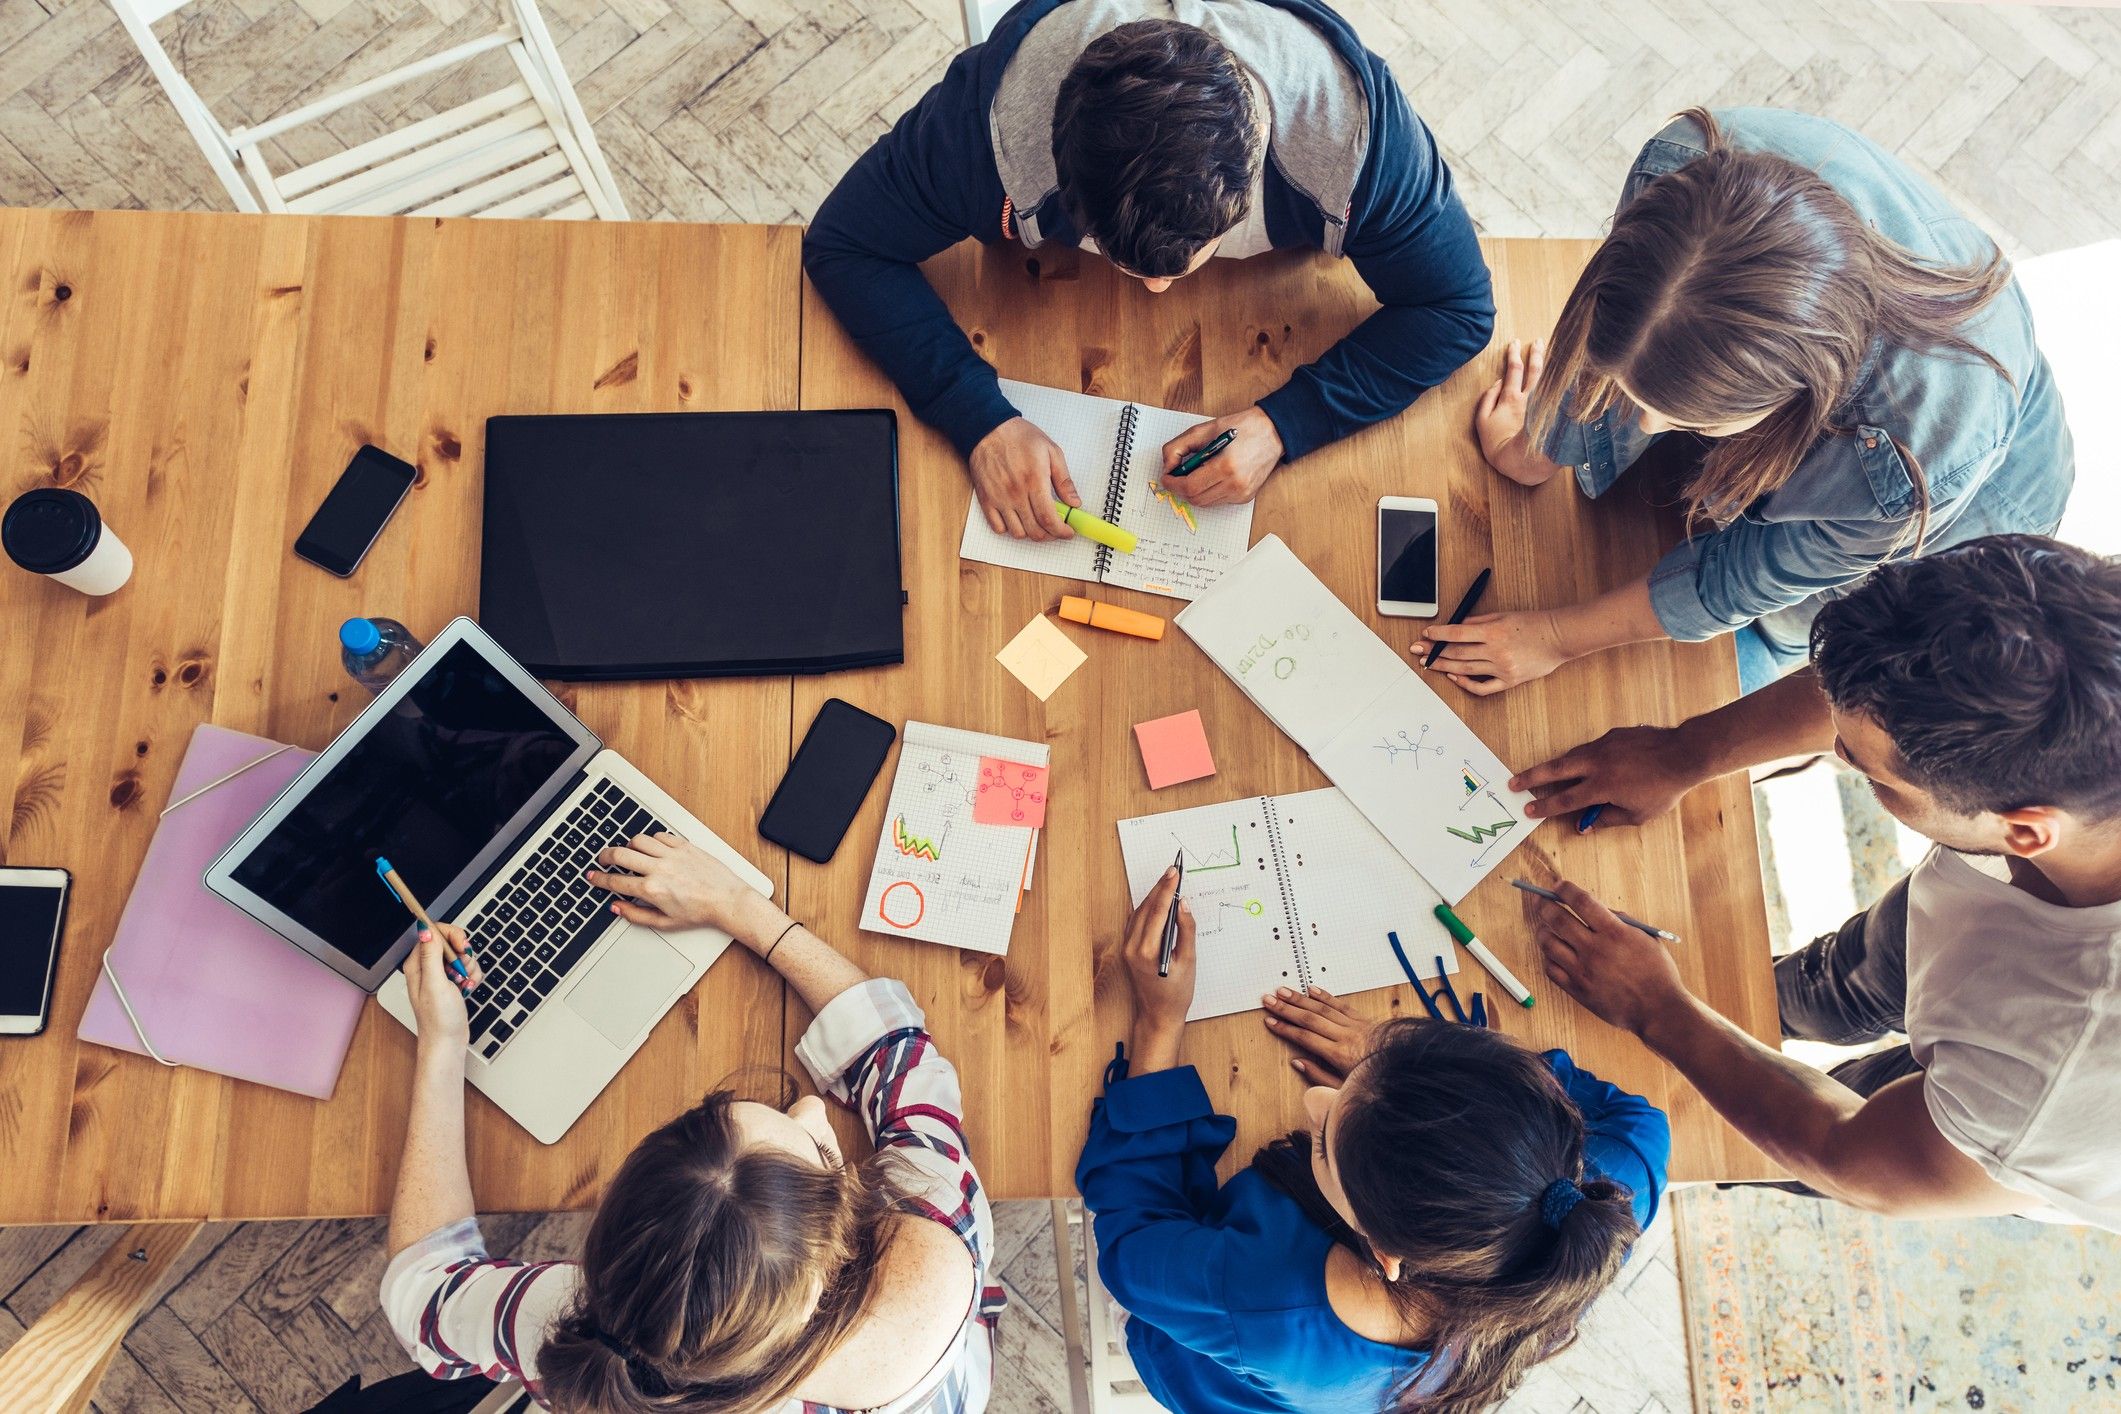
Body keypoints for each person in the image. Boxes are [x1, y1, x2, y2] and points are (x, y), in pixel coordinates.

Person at [1517, 535, 2121, 1226]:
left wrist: (1657, 1008)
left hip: (2014, 1107)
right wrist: (1683, 752)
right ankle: (1768, 1007)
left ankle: (1714, 1170)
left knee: (1783, 1136)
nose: (1835, 755)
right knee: (1841, 975)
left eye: (1868, 773)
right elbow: (1878, 693)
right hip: (1996, 930)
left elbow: (1851, 1156)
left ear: (2022, 830)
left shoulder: (2052, 1078)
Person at [1426, 107, 2073, 698]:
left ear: (1795, 398)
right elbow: (1643, 335)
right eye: (1640, 399)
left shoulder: (1905, 467)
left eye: (1689, 418)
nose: (1646, 424)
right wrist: (1541, 447)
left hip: (1969, 506)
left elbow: (1743, 578)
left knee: (1778, 636)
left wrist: (1554, 637)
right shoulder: (1679, 165)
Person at [803, 0, 1492, 542]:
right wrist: (976, 417)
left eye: (1183, 261)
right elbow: (842, 244)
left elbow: (1458, 310)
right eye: (1116, 255)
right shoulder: (980, 134)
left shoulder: (1361, 148)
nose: (1158, 290)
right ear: (1058, 171)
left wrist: (1288, 422)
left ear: (1248, 182)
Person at [380, 834, 1005, 1411]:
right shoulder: (936, 1245)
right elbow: (895, 1050)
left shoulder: (582, 1337)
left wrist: (441, 1042)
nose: (813, 1107)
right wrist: (739, 906)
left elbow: (419, 1297)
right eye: (818, 1149)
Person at [1075, 868, 1669, 1412]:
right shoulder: (1602, 1193)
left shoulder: (1266, 1300)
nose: (1315, 1099)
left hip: (1215, 1366)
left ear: (1382, 1251)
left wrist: (1158, 1022)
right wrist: (1410, 1082)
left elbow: (1134, 1242)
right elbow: (1645, 1124)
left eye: (1324, 1144)